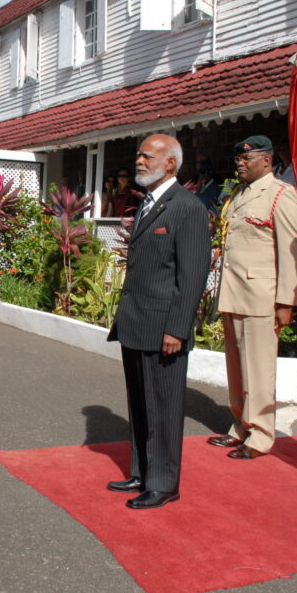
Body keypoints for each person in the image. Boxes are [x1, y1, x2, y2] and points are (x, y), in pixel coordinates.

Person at [106, 134, 210, 509]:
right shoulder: (149, 204)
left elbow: (193, 274)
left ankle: (163, 483)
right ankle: (142, 471)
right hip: (136, 322)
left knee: (163, 408)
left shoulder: (187, 208)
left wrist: (177, 329)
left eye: (147, 156)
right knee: (139, 403)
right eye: (138, 155)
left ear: (170, 163)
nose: (138, 161)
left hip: (164, 328)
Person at [208, 135, 297, 459]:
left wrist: (286, 301)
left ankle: (261, 434)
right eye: (238, 159)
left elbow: (292, 252)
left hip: (261, 296)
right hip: (234, 293)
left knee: (260, 369)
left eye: (247, 159)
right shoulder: (237, 195)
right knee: (236, 367)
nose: (240, 163)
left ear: (267, 160)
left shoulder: (280, 195)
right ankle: (241, 424)